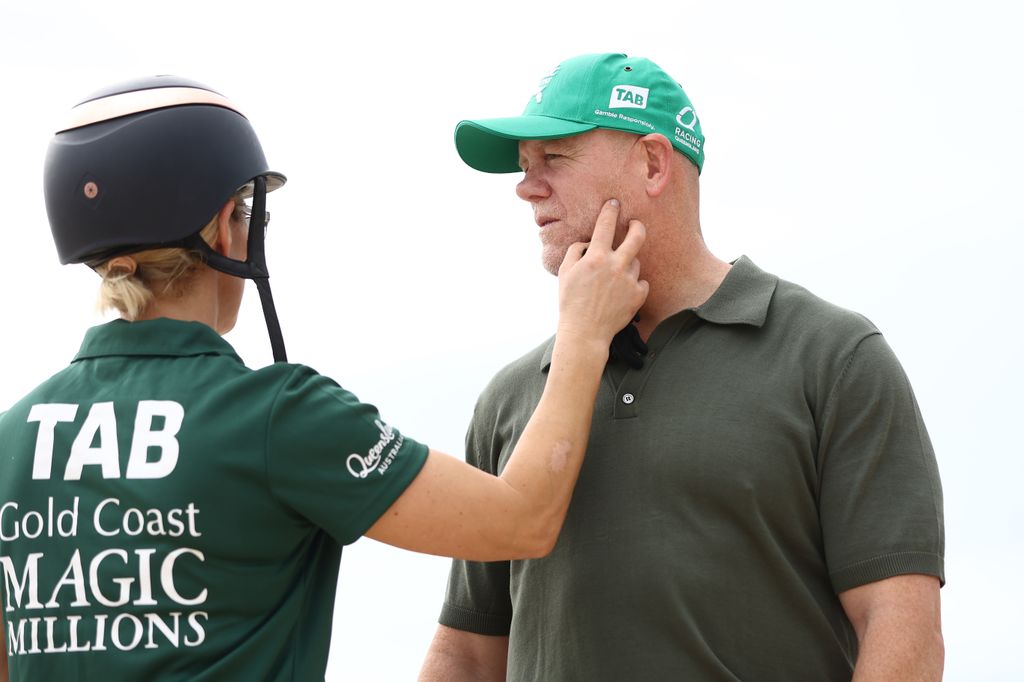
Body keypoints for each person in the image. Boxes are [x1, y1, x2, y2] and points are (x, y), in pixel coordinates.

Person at [0, 75, 648, 681]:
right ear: (227, 226)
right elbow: (521, 521)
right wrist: (584, 333)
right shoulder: (277, 415)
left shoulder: (8, 441)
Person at [420, 53, 945, 681]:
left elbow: (902, 630)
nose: (526, 186)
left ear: (651, 162)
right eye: (525, 165)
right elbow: (467, 653)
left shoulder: (832, 358)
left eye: (553, 159)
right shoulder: (510, 398)